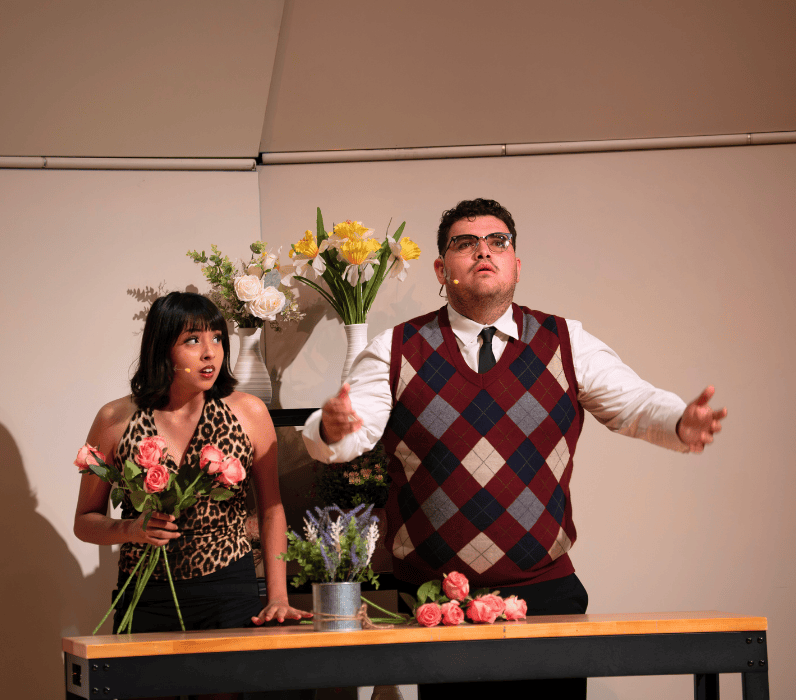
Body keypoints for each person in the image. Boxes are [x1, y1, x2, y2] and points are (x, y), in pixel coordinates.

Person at [302, 198, 726, 699]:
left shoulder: (566, 341)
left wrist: (680, 421)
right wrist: (331, 428)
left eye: (497, 241)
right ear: (442, 268)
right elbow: (350, 434)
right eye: (465, 243)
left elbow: (635, 402)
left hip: (547, 598)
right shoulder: (395, 348)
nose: (483, 251)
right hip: (437, 607)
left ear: (516, 265)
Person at [75, 292, 309, 698]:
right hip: (146, 595)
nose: (209, 353)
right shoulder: (116, 420)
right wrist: (131, 529)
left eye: (217, 339)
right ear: (161, 348)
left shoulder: (247, 412)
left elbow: (272, 509)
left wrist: (277, 597)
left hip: (229, 594)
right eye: (193, 340)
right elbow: (85, 521)